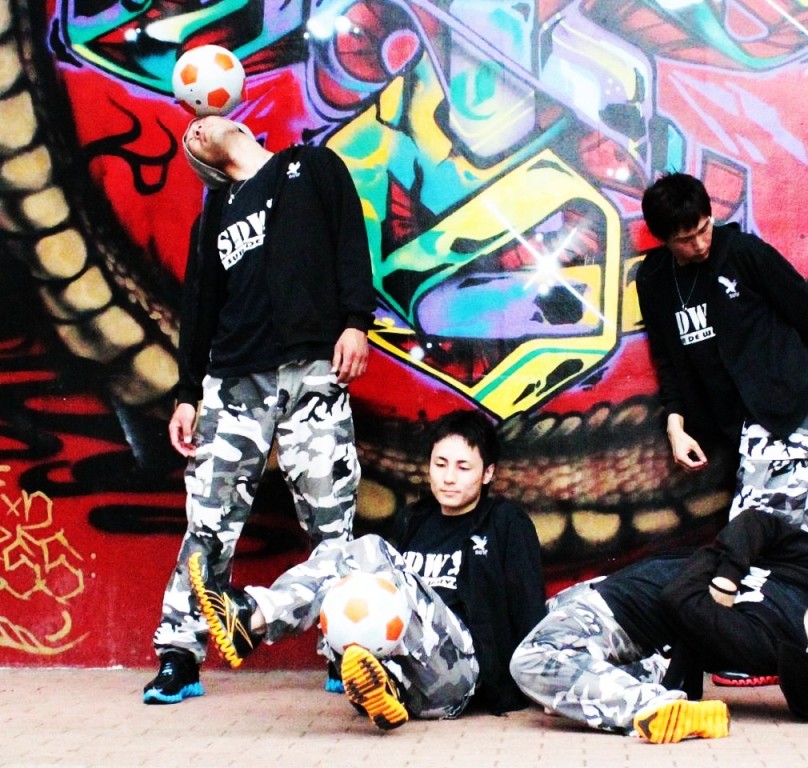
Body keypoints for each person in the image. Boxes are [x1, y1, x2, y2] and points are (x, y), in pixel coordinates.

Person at [143, 116, 376, 704]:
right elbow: (199, 308)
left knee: (332, 520)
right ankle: (180, 655)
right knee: (209, 521)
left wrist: (356, 321)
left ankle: (344, 645)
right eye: (190, 136)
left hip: (313, 371)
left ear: (238, 123)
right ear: (205, 163)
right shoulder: (214, 215)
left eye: (201, 121)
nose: (196, 127)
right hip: (234, 381)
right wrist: (188, 393)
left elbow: (351, 240)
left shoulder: (311, 166)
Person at [187, 409, 546, 730]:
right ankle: (383, 690)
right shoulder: (416, 519)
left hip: (461, 675)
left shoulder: (505, 523)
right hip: (408, 675)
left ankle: (254, 618)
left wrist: (538, 688)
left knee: (370, 552)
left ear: (487, 473)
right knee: (357, 579)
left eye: (463, 468)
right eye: (440, 464)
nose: (449, 477)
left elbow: (528, 605)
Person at [635, 172, 808, 542]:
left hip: (787, 402)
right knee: (783, 533)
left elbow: (805, 310)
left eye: (704, 228)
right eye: (686, 240)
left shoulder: (743, 253)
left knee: (752, 535)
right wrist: (676, 428)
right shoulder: (654, 281)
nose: (701, 244)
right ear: (664, 239)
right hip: (736, 426)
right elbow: (667, 358)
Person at [510, 508, 808, 744]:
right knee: (524, 639)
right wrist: (725, 576)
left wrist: (719, 554)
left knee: (531, 659)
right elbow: (759, 523)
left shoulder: (770, 647)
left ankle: (655, 708)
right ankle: (622, 685)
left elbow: (679, 599)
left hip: (625, 619)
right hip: (617, 586)